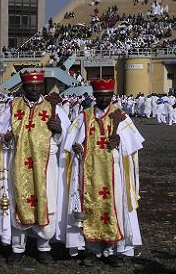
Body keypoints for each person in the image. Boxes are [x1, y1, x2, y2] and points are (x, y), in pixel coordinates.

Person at [61, 79, 144, 267]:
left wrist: (120, 141)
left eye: (107, 95)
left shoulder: (120, 116)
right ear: (94, 96)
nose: (104, 98)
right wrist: (77, 148)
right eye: (100, 95)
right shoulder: (84, 116)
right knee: (89, 209)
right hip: (88, 172)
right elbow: (71, 143)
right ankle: (91, 250)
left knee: (113, 208)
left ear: (112, 96)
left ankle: (110, 250)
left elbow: (133, 147)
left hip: (113, 172)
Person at [0, 70, 70, 265]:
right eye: (30, 86)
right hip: (17, 164)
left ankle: (44, 248)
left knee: (47, 203)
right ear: (23, 87)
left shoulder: (54, 108)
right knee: (18, 201)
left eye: (37, 85)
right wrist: (6, 139)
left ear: (42, 86)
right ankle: (18, 248)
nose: (34, 89)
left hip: (46, 166)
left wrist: (58, 130)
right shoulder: (12, 107)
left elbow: (68, 138)